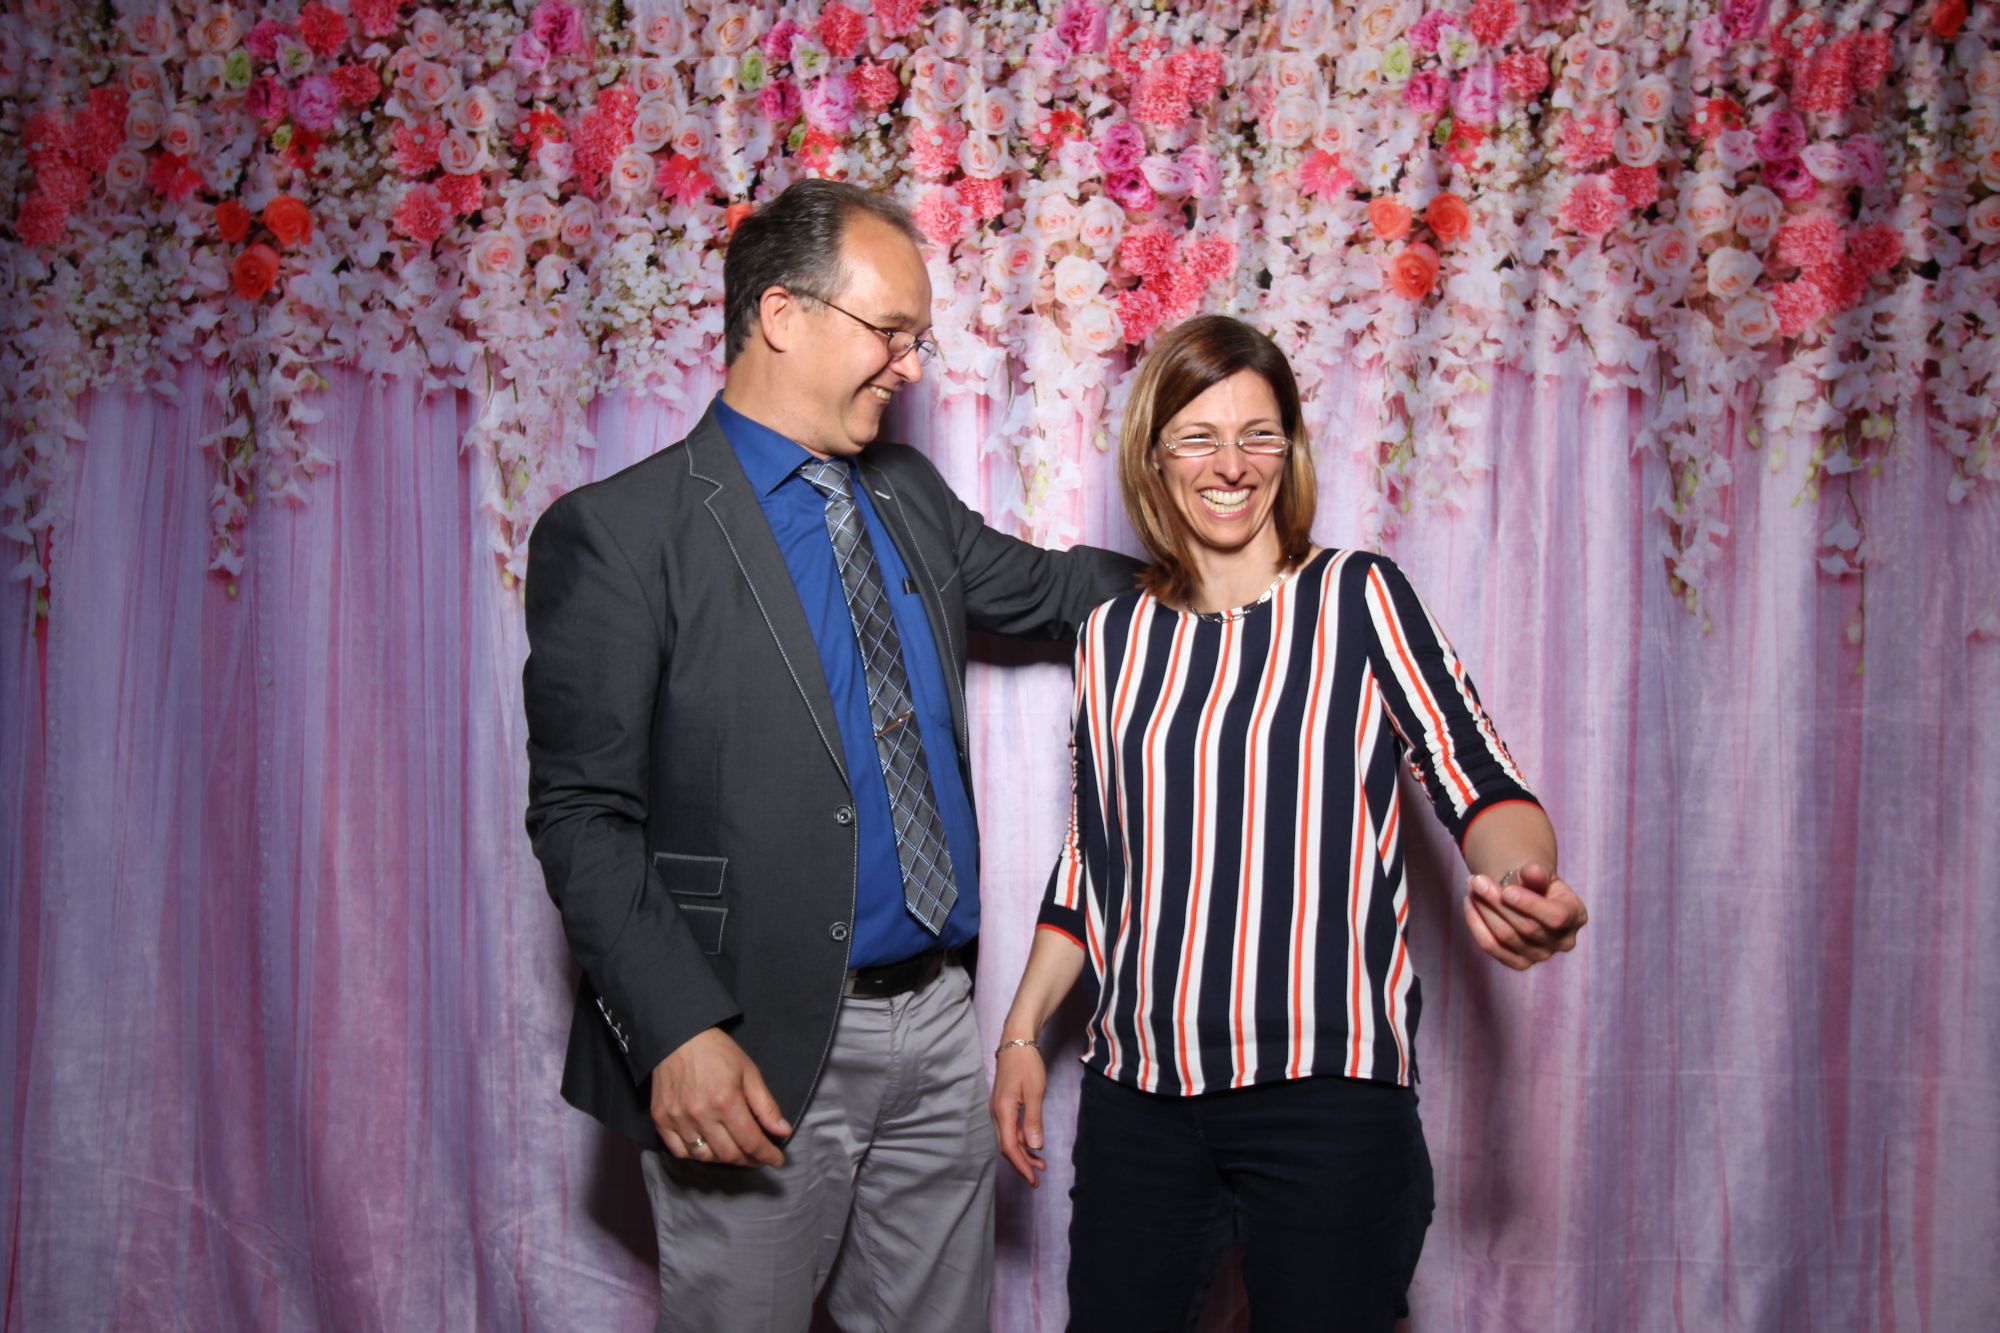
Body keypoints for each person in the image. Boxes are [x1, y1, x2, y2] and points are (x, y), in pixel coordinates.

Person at [522, 179, 1137, 1333]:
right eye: (888, 332)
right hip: (749, 1043)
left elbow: (1056, 591)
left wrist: (1236, 580)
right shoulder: (622, 533)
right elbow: (580, 815)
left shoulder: (906, 494)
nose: (909, 365)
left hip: (939, 1026)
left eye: (917, 338)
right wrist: (676, 1027)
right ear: (781, 313)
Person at [988, 315, 1588, 1332]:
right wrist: (1019, 1034)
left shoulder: (1358, 595)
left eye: (1257, 434)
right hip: (1139, 1100)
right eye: (1197, 436)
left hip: (1328, 1099)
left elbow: (1477, 780)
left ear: (1289, 449)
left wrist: (1523, 881)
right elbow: (1094, 857)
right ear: (1153, 455)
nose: (1230, 464)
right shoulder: (1109, 636)